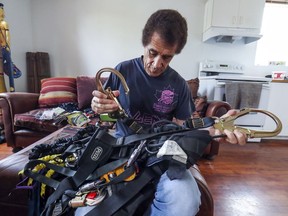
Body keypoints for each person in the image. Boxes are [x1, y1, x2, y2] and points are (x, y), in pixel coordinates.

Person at [91, 9, 247, 216]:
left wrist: (215, 125)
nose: (157, 64)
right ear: (145, 44)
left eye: (166, 57)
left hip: (163, 151)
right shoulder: (122, 70)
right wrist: (99, 107)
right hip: (124, 148)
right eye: (152, 53)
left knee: (187, 201)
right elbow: (104, 117)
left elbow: (185, 127)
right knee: (89, 208)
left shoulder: (179, 85)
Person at [0, 3, 21, 92]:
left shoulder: (4, 23)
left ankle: (12, 87)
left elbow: (8, 36)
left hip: (4, 48)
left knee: (9, 65)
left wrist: (8, 46)